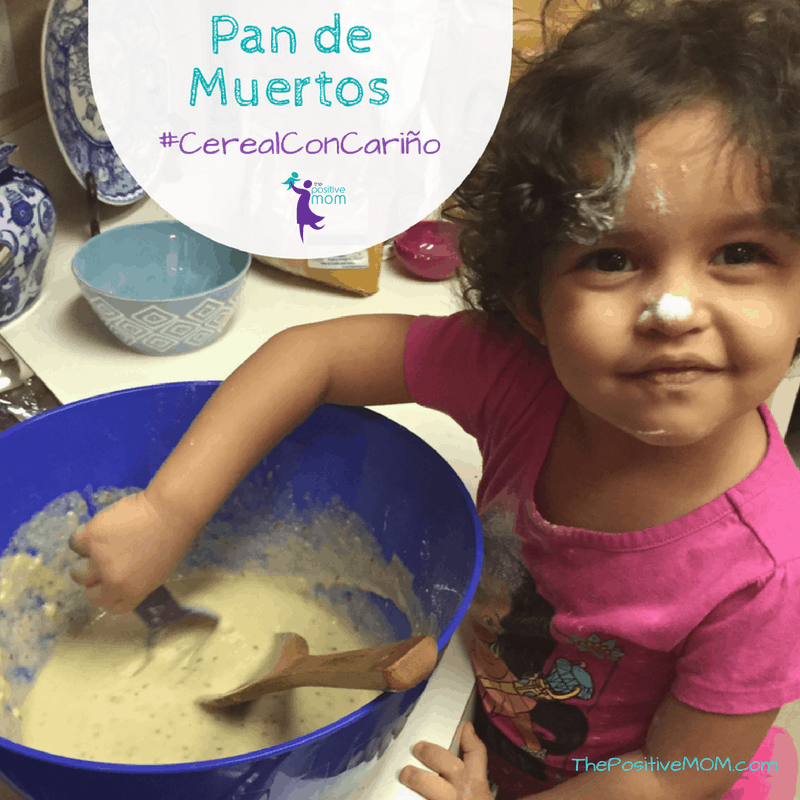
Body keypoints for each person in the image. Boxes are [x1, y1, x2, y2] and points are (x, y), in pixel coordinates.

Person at [70, 0, 800, 797]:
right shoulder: (524, 379)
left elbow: (674, 777)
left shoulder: (771, 569)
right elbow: (313, 356)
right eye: (613, 259)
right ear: (532, 303)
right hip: (483, 724)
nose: (675, 312)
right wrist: (169, 512)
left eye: (738, 252)